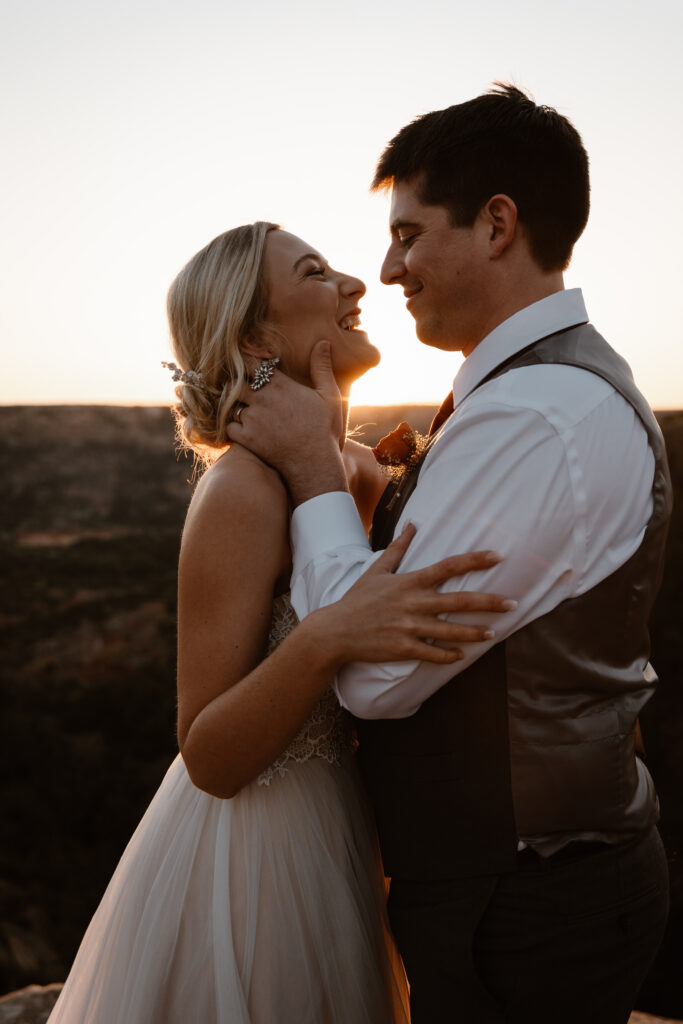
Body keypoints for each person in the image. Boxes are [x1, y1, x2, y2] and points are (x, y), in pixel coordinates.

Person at [227, 86, 673, 1023]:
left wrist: (315, 468)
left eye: (409, 233)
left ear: (497, 224)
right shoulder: (526, 391)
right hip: (520, 884)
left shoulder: (535, 413)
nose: (387, 269)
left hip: (525, 906)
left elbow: (378, 678)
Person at [47, 222, 515, 1024]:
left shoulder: (346, 470)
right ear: (256, 333)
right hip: (258, 866)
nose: (353, 284)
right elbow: (209, 753)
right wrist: (329, 634)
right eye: (314, 272)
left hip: (344, 833)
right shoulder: (243, 492)